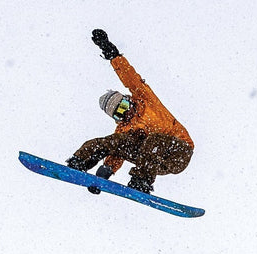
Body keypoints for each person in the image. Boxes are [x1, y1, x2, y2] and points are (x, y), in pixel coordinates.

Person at [66, 29, 193, 195]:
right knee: (114, 141)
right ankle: (79, 162)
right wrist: (102, 177)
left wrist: (111, 52)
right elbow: (115, 153)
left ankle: (142, 181)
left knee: (152, 139)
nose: (125, 113)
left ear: (128, 99)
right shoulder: (124, 128)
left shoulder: (145, 100)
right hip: (153, 161)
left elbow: (130, 77)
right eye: (119, 113)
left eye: (123, 106)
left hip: (179, 151)